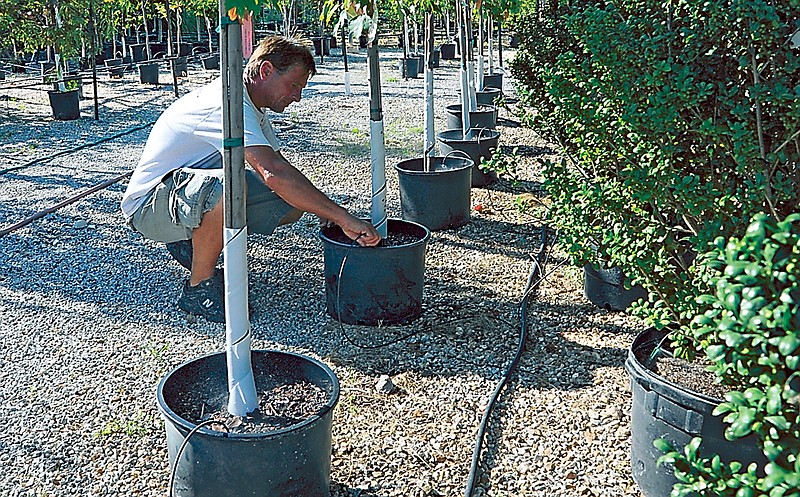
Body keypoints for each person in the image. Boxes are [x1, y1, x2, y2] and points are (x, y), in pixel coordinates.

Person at [120, 36, 381, 323]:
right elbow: (273, 173)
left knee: (292, 203)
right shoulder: (226, 103)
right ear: (266, 70)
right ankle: (199, 287)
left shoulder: (252, 106)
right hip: (149, 206)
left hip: (182, 195)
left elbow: (282, 168)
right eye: (294, 86)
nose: (297, 97)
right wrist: (343, 217)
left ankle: (195, 242)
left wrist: (325, 210)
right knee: (227, 188)